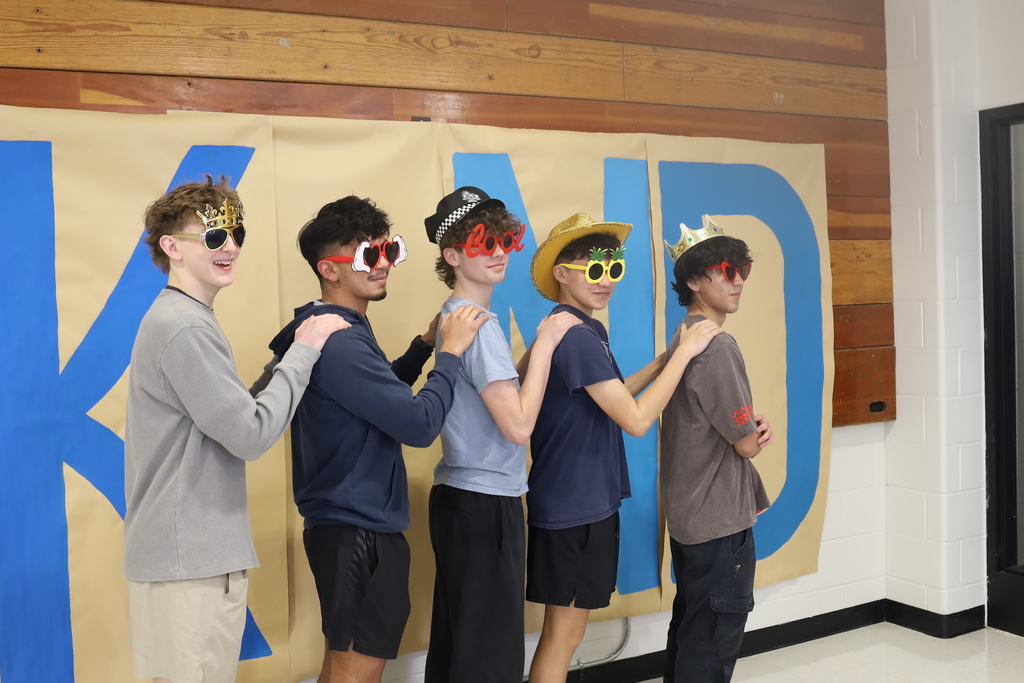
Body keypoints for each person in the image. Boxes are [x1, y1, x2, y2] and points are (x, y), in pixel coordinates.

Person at [124, 176, 349, 683]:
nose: (229, 247)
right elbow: (250, 434)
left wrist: (286, 358)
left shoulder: (188, 319)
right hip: (187, 565)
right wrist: (304, 351)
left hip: (197, 559)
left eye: (236, 234)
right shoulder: (182, 327)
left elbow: (226, 413)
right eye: (212, 236)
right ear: (171, 247)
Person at [268, 195, 485, 683]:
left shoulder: (334, 328)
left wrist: (423, 347)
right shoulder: (342, 341)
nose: (383, 264)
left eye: (389, 250)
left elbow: (375, 398)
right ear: (329, 269)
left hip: (348, 525)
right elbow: (418, 425)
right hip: (356, 529)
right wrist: (450, 355)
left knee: (343, 665)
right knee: (356, 671)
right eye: (369, 255)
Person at [525, 213, 721, 683]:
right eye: (594, 269)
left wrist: (664, 360)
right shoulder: (576, 336)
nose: (606, 280)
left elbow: (611, 398)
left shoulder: (583, 329)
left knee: (567, 633)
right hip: (574, 506)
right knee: (563, 635)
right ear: (561, 274)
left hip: (580, 500)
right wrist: (685, 355)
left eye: (614, 268)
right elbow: (634, 420)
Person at [421, 187, 580, 683]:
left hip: (463, 498)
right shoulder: (477, 325)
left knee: (461, 645)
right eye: (482, 242)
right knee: (487, 656)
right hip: (484, 501)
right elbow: (518, 426)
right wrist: (547, 343)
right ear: (452, 255)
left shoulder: (457, 317)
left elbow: (496, 394)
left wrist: (533, 353)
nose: (497, 252)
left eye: (504, 240)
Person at [660, 215, 774, 683]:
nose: (738, 280)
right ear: (694, 280)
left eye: (742, 269)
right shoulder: (717, 345)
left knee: (692, 633)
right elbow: (745, 445)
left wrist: (746, 428)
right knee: (710, 646)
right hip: (717, 520)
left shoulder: (686, 335)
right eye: (726, 271)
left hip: (690, 517)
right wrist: (754, 434)